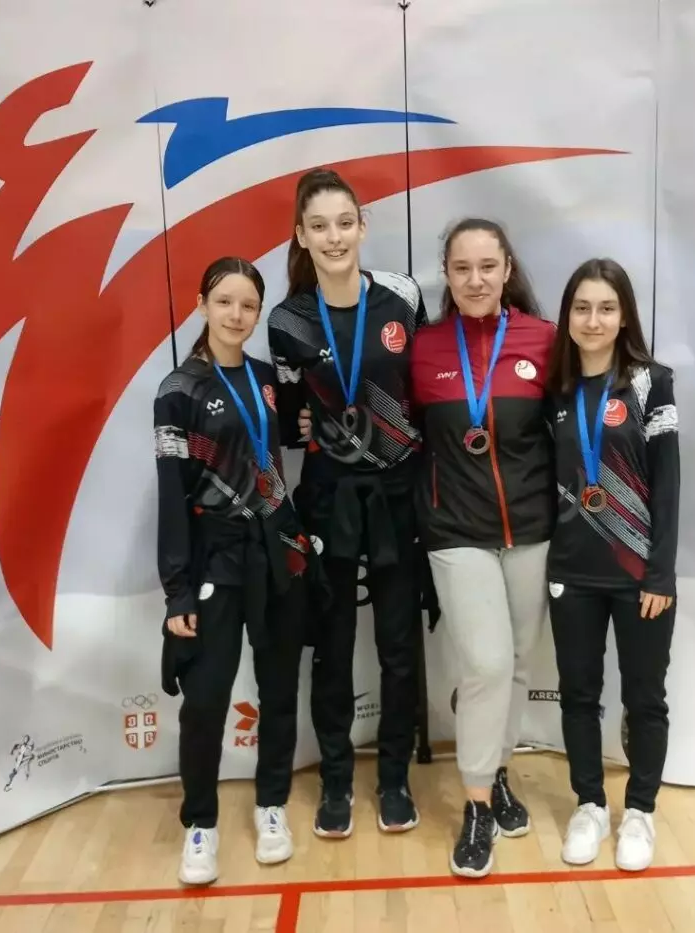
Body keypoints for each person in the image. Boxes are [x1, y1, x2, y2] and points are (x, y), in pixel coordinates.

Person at [267, 168, 427, 839]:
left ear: (362, 226)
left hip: (397, 495)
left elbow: (424, 391)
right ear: (301, 236)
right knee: (331, 648)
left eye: (343, 222)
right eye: (318, 226)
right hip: (329, 497)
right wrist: (300, 423)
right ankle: (336, 780)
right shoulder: (287, 320)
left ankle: (393, 779)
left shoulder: (403, 296)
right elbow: (288, 423)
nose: (333, 237)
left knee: (398, 647)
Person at [155, 257, 320, 885]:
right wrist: (177, 591)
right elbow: (172, 494)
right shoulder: (178, 389)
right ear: (202, 304)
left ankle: (271, 805)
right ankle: (200, 823)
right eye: (224, 301)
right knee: (205, 701)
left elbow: (289, 442)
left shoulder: (266, 379)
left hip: (275, 552)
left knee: (279, 689)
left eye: (248, 305)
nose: (237, 315)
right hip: (214, 559)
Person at [410, 218, 557, 878]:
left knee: (518, 662)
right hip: (455, 531)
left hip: (531, 528)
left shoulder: (542, 340)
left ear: (507, 270)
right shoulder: (424, 348)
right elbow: (394, 425)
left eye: (487, 267)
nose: (475, 280)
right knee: (487, 662)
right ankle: (475, 805)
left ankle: (497, 771)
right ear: (446, 273)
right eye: (462, 268)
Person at [544, 257, 680, 873]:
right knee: (579, 694)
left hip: (638, 576)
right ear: (567, 316)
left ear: (624, 315)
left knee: (645, 698)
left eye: (605, 308)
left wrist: (660, 573)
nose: (593, 320)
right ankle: (590, 805)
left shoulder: (652, 383)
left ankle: (641, 811)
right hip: (572, 572)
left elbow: (668, 485)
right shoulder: (555, 388)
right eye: (581, 308)